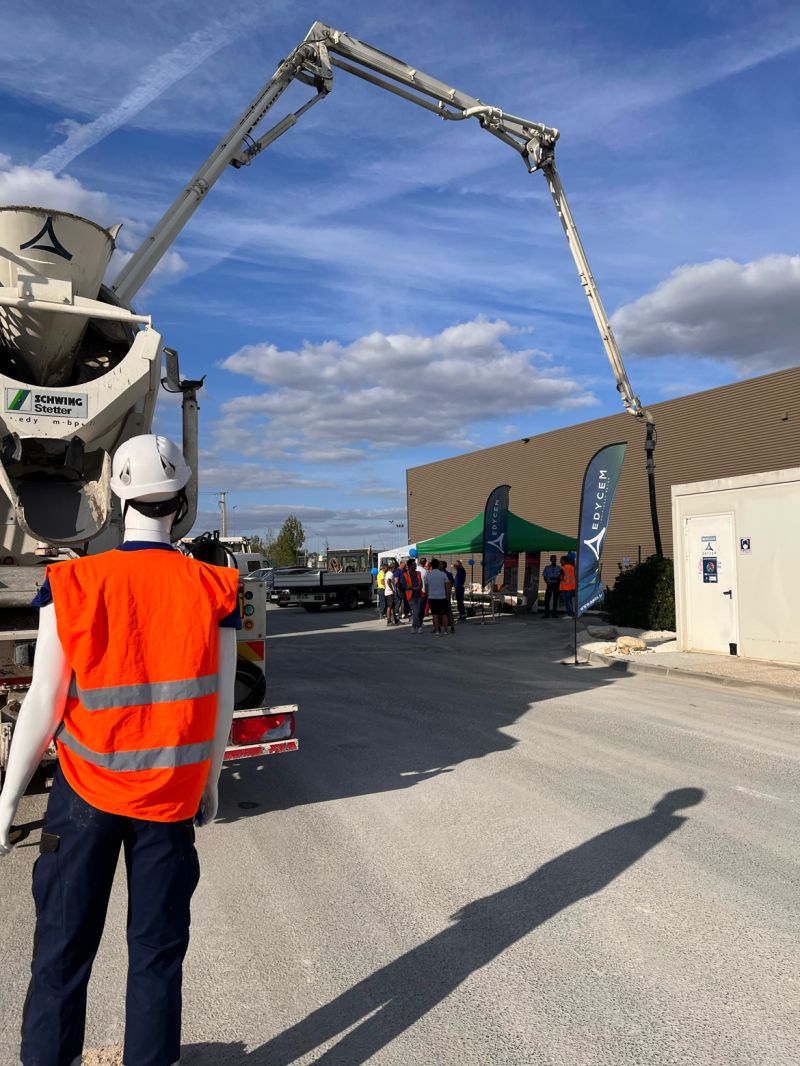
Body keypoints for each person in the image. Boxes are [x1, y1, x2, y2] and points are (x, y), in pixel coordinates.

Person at [0, 434, 240, 1066]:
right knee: (157, 957)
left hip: (84, 797)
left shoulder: (72, 582)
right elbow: (219, 708)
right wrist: (209, 784)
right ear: (184, 498)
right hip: (169, 802)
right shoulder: (215, 589)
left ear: (116, 494)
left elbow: (44, 700)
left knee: (61, 951)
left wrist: (7, 797)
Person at [423, 558, 451, 635]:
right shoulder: (443, 574)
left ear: (431, 565)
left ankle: (437, 631)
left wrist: (427, 596)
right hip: (442, 597)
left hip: (432, 597)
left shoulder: (428, 575)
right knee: (444, 614)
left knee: (435, 615)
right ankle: (446, 630)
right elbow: (447, 586)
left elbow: (426, 588)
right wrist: (448, 596)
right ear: (438, 565)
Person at [403, 558, 425, 633]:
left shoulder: (418, 573)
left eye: (415, 564)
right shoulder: (405, 574)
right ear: (410, 566)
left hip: (419, 594)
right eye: (414, 564)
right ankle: (419, 627)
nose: (415, 565)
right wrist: (413, 588)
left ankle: (413, 626)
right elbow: (403, 585)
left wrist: (420, 587)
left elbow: (421, 582)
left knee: (417, 611)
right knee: (416, 610)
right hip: (410, 595)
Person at [440, 560, 456, 633]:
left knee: (447, 612)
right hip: (443, 595)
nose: (439, 566)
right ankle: (446, 626)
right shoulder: (448, 574)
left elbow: (451, 584)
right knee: (445, 612)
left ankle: (451, 627)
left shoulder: (447, 574)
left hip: (444, 595)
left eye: (440, 564)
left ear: (443, 566)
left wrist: (448, 595)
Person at [452, 559, 467, 623]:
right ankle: (462, 614)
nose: (454, 568)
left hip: (459, 588)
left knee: (460, 602)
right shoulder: (460, 571)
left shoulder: (461, 570)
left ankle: (462, 615)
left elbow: (453, 565)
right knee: (459, 602)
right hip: (458, 588)